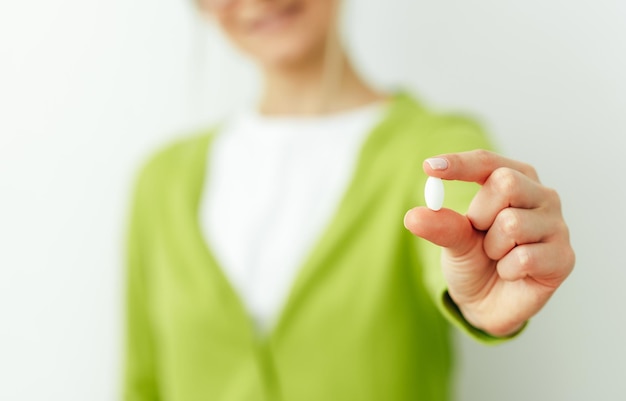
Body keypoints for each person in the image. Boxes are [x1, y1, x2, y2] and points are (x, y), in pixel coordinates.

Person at [123, 0, 575, 400]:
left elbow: (458, 244)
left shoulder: (439, 149)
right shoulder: (161, 181)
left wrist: (481, 288)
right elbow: (142, 382)